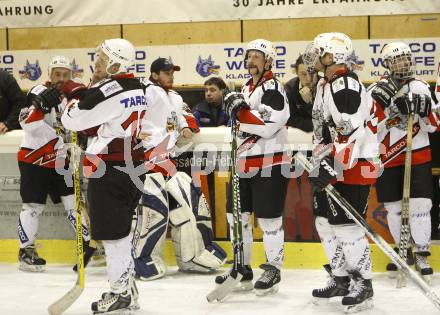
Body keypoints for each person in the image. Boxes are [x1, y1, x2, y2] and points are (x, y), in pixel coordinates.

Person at [61, 38, 145, 314]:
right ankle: (126, 285)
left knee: (113, 235)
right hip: (131, 164)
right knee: (120, 232)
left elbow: (71, 119)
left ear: (116, 64)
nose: (96, 61)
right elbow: (105, 121)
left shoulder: (109, 90)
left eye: (102, 57)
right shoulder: (138, 86)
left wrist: (74, 96)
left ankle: (120, 292)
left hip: (109, 167)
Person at [302, 32, 379, 311]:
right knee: (324, 220)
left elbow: (351, 132)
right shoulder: (326, 83)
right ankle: (341, 277)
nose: (312, 56)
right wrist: (320, 159)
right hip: (334, 162)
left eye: (318, 51)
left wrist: (330, 165)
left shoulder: (345, 85)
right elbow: (326, 129)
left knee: (346, 227)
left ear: (332, 56)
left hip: (355, 164)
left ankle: (364, 283)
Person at [132, 57, 226, 281]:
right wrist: (132, 130)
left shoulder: (174, 96)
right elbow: (126, 114)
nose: (170, 76)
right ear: (154, 74)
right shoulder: (143, 90)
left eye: (172, 72)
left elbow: (184, 118)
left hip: (167, 162)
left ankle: (190, 256)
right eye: (166, 72)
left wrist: (186, 128)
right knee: (154, 211)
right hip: (143, 163)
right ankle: (142, 258)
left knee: (190, 204)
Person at [215, 38, 290, 295]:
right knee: (236, 217)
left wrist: (241, 111)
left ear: (268, 60)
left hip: (271, 163)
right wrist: (238, 110)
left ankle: (273, 268)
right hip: (242, 163)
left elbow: (267, 126)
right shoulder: (245, 88)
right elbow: (238, 124)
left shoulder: (274, 88)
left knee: (269, 220)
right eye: (249, 56)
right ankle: (242, 266)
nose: (251, 61)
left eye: (256, 56)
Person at [370, 42, 440, 279]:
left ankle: (421, 251)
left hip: (417, 153)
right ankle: (403, 251)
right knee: (394, 209)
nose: (403, 63)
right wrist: (380, 106)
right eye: (397, 60)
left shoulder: (420, 87)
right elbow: (368, 127)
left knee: (420, 206)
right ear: (388, 64)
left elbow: (434, 125)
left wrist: (423, 110)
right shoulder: (376, 90)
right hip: (388, 157)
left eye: (406, 59)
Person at [16, 55, 93, 273]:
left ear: (71, 75)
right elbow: (27, 124)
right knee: (32, 207)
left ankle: (87, 246)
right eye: (57, 74)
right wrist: (39, 106)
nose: (61, 78)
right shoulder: (37, 92)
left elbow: (80, 127)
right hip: (34, 159)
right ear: (49, 74)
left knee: (74, 204)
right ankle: (26, 252)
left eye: (65, 74)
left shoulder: (74, 97)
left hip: (62, 161)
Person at [284, 55, 316, 132]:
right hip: (300, 136)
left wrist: (309, 104)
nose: (308, 79)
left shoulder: (325, 86)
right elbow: (290, 119)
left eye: (311, 73)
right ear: (297, 73)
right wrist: (316, 125)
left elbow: (327, 120)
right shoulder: (289, 88)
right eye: (303, 74)